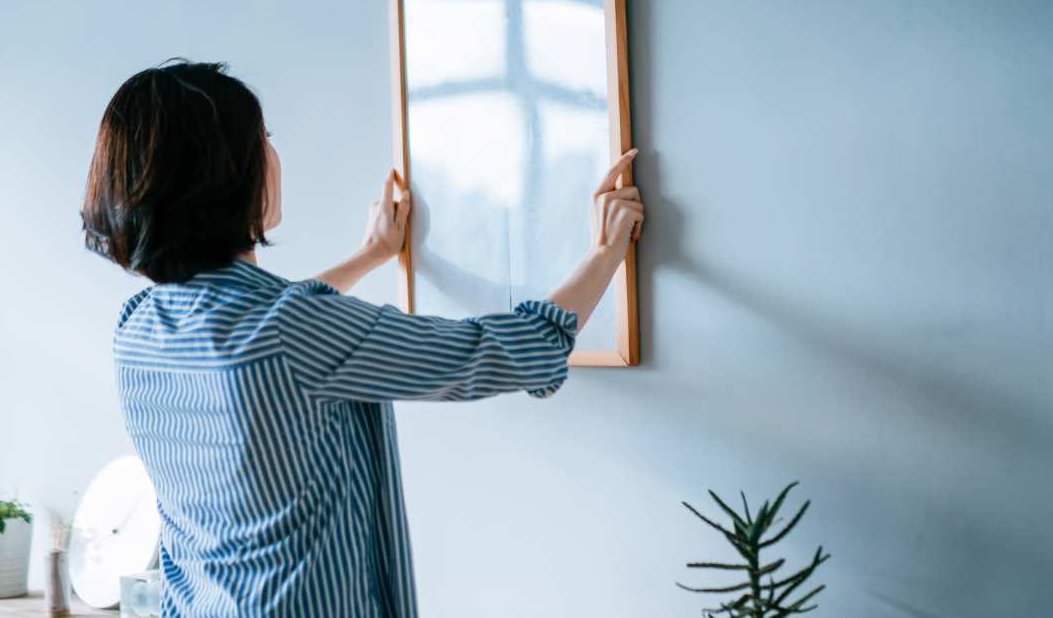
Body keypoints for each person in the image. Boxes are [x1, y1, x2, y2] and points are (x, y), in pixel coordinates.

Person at [81, 60, 643, 617]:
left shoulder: (138, 326)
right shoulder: (290, 332)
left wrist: (368, 257)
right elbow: (512, 350)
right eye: (263, 139)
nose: (273, 156)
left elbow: (264, 331)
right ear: (226, 176)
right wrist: (605, 251)